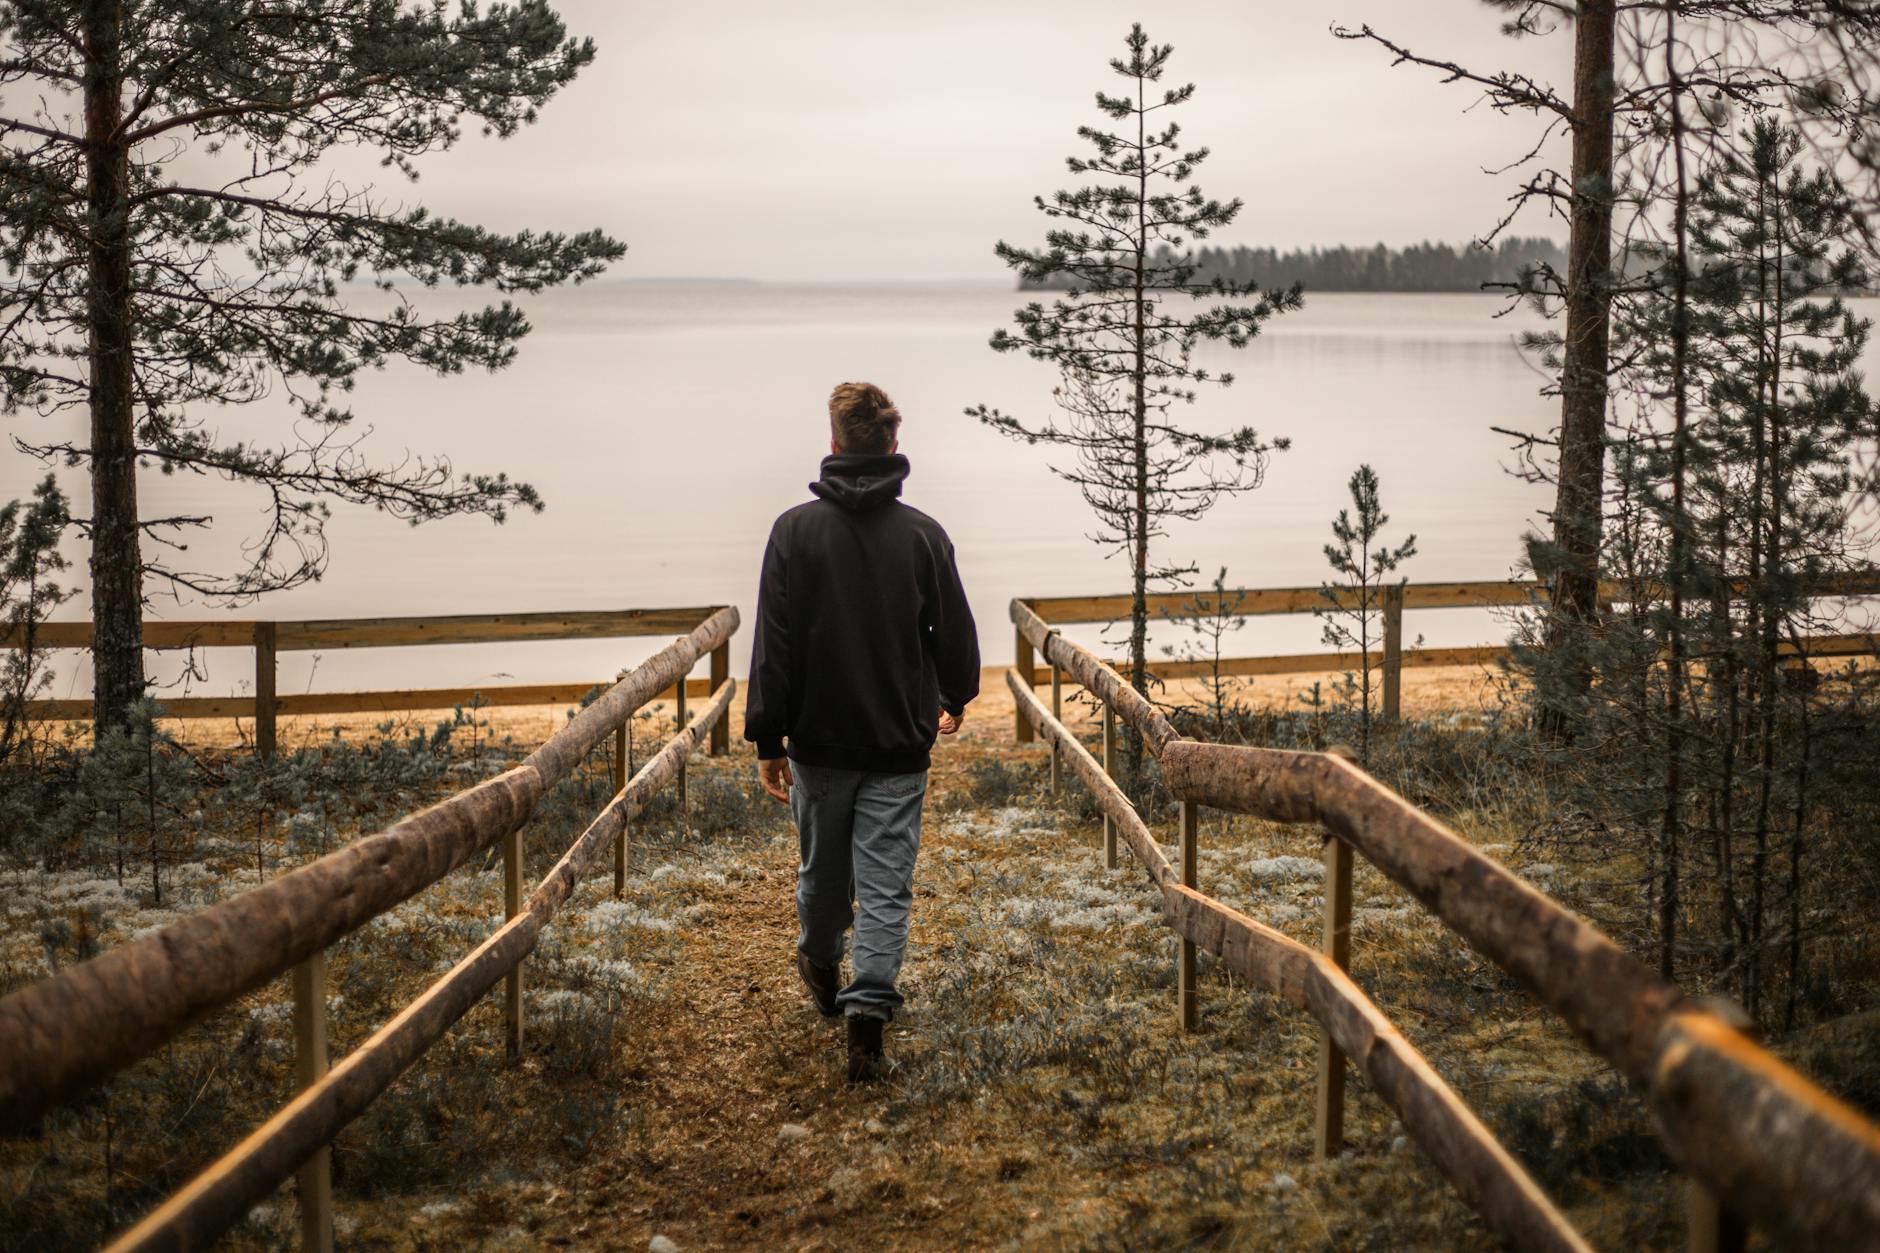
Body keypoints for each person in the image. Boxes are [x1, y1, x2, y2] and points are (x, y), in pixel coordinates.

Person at [744, 381, 979, 1084]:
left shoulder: (793, 531)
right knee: (884, 887)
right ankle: (865, 1027)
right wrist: (955, 693)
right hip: (898, 747)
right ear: (894, 447)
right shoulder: (924, 536)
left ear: (836, 443)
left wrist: (767, 737)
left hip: (817, 744)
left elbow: (773, 643)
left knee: (824, 876)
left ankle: (821, 960)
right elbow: (953, 631)